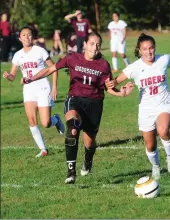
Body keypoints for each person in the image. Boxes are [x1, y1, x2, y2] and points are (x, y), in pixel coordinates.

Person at [22, 32, 133, 184]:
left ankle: (87, 162)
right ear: (85, 44)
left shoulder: (104, 65)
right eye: (92, 43)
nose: (95, 47)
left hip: (94, 104)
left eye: (98, 44)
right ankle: (71, 171)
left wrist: (122, 93)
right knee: (72, 129)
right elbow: (50, 69)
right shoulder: (72, 58)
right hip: (75, 100)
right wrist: (31, 78)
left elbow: (108, 88)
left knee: (89, 143)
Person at [105, 33, 170, 180]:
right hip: (146, 110)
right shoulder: (134, 68)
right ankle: (156, 167)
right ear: (139, 50)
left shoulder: (163, 59)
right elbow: (113, 85)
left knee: (163, 131)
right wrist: (120, 91)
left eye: (151, 48)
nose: (149, 52)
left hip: (165, 104)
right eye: (145, 49)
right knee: (150, 145)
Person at [2, 26, 65, 157]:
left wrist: (54, 87)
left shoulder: (40, 51)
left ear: (32, 37)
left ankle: (56, 120)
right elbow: (13, 76)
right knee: (31, 120)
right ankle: (43, 149)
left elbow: (54, 68)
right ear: (20, 38)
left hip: (43, 87)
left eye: (29, 34)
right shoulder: (18, 55)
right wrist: (8, 76)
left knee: (46, 123)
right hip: (29, 90)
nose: (26, 37)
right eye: (23, 35)